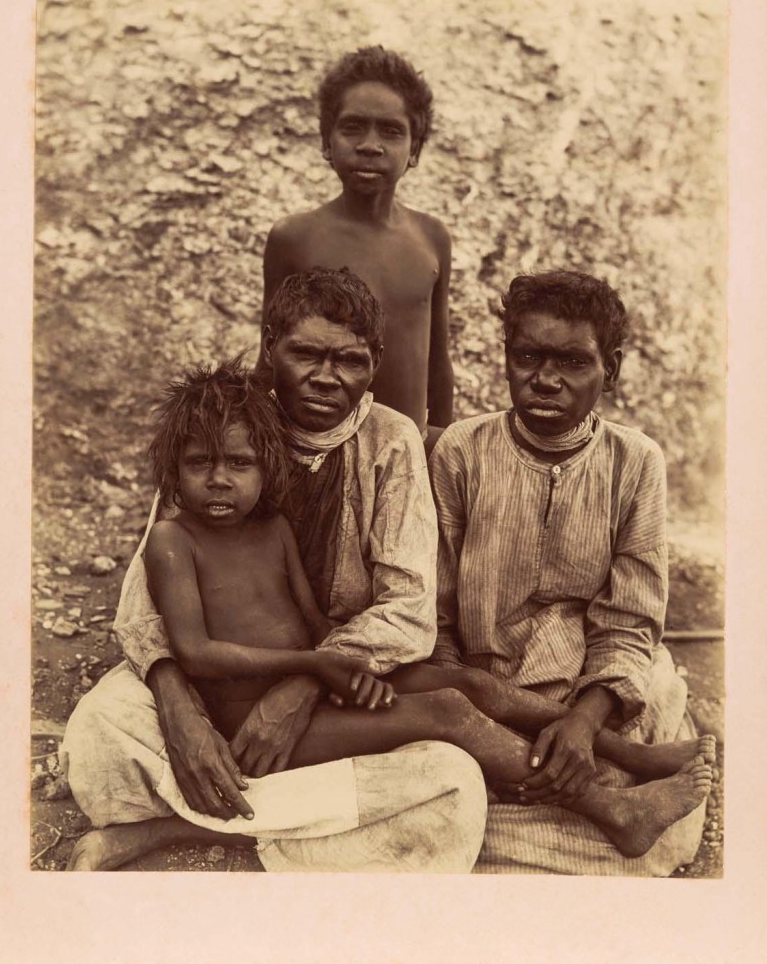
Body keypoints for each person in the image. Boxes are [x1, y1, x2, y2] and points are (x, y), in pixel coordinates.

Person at [131, 354, 711, 862]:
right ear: (173, 471)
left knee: (470, 686)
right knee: (447, 712)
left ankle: (627, 752)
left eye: (239, 463)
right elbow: (196, 654)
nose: (220, 481)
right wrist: (313, 668)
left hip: (311, 681)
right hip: (249, 725)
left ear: (266, 463)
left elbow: (314, 625)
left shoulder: (273, 529)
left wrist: (351, 673)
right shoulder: (172, 540)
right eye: (200, 464)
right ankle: (611, 809)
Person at [60, 267, 487, 872]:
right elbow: (142, 599)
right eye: (305, 354)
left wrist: (303, 685)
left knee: (450, 779)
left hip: (339, 668)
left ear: (375, 363)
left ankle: (176, 825)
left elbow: (408, 609)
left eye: (349, 360)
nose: (325, 377)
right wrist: (178, 708)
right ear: (270, 347)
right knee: (100, 729)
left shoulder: (391, 441)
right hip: (215, 674)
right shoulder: (219, 424)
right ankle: (288, 816)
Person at [419, 270, 715, 875]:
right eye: (527, 356)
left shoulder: (635, 462)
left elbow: (631, 618)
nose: (546, 379)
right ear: (507, 357)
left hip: (590, 684)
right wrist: (476, 707)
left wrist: (585, 718)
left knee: (634, 730)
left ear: (611, 368)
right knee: (459, 764)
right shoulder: (462, 451)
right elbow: (438, 612)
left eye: (573, 362)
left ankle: (599, 783)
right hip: (486, 684)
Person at [259, 46, 453, 448]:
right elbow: (270, 358)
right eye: (353, 127)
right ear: (326, 142)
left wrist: (444, 451)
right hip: (314, 449)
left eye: (391, 131)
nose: (370, 145)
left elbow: (438, 364)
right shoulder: (295, 238)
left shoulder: (431, 239)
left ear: (415, 150)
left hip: (404, 453)